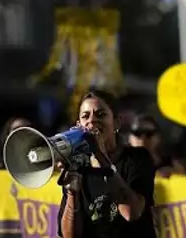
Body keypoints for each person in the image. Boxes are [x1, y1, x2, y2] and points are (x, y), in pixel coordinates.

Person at [57, 90, 156, 238]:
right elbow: (69, 235)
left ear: (116, 122)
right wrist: (72, 192)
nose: (92, 120)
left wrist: (101, 157)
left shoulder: (137, 158)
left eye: (100, 114)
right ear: (79, 126)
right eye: (85, 116)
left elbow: (131, 213)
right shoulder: (78, 167)